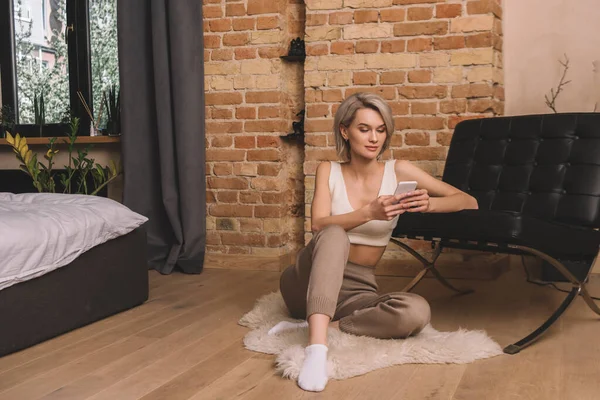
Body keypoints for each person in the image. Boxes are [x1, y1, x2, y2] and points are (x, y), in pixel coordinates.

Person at [269, 92, 479, 392]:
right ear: (345, 131)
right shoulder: (329, 170)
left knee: (415, 312)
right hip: (305, 281)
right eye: (364, 128)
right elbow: (318, 224)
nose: (374, 138)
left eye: (381, 130)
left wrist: (428, 203)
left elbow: (468, 201)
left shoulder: (399, 170)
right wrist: (369, 212)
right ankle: (316, 350)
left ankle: (321, 324)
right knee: (333, 233)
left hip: (356, 291)